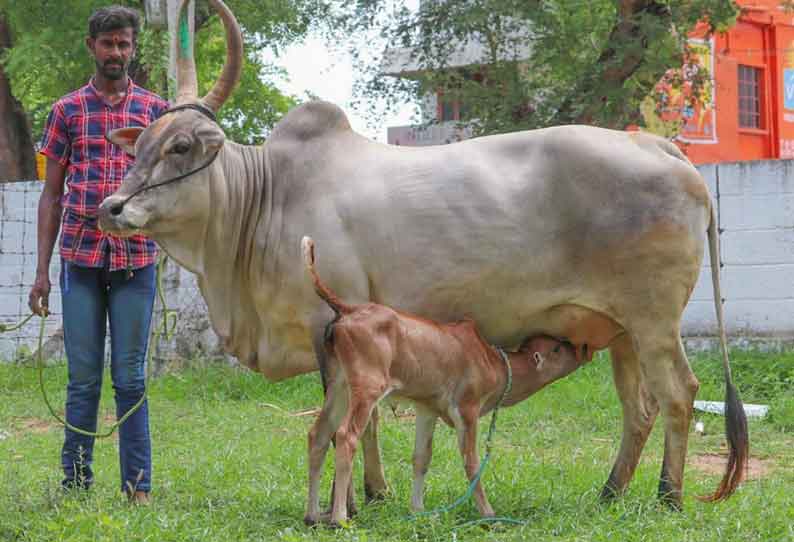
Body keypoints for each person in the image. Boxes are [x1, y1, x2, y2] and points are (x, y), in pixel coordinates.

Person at [28, 5, 168, 505]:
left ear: (133, 47)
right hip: (80, 261)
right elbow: (51, 197)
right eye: (108, 43)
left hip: (136, 262)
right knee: (83, 380)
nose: (117, 52)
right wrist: (41, 273)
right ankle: (76, 485)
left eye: (125, 44)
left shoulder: (155, 112)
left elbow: (170, 188)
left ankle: (139, 488)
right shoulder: (67, 110)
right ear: (92, 47)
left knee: (130, 379)